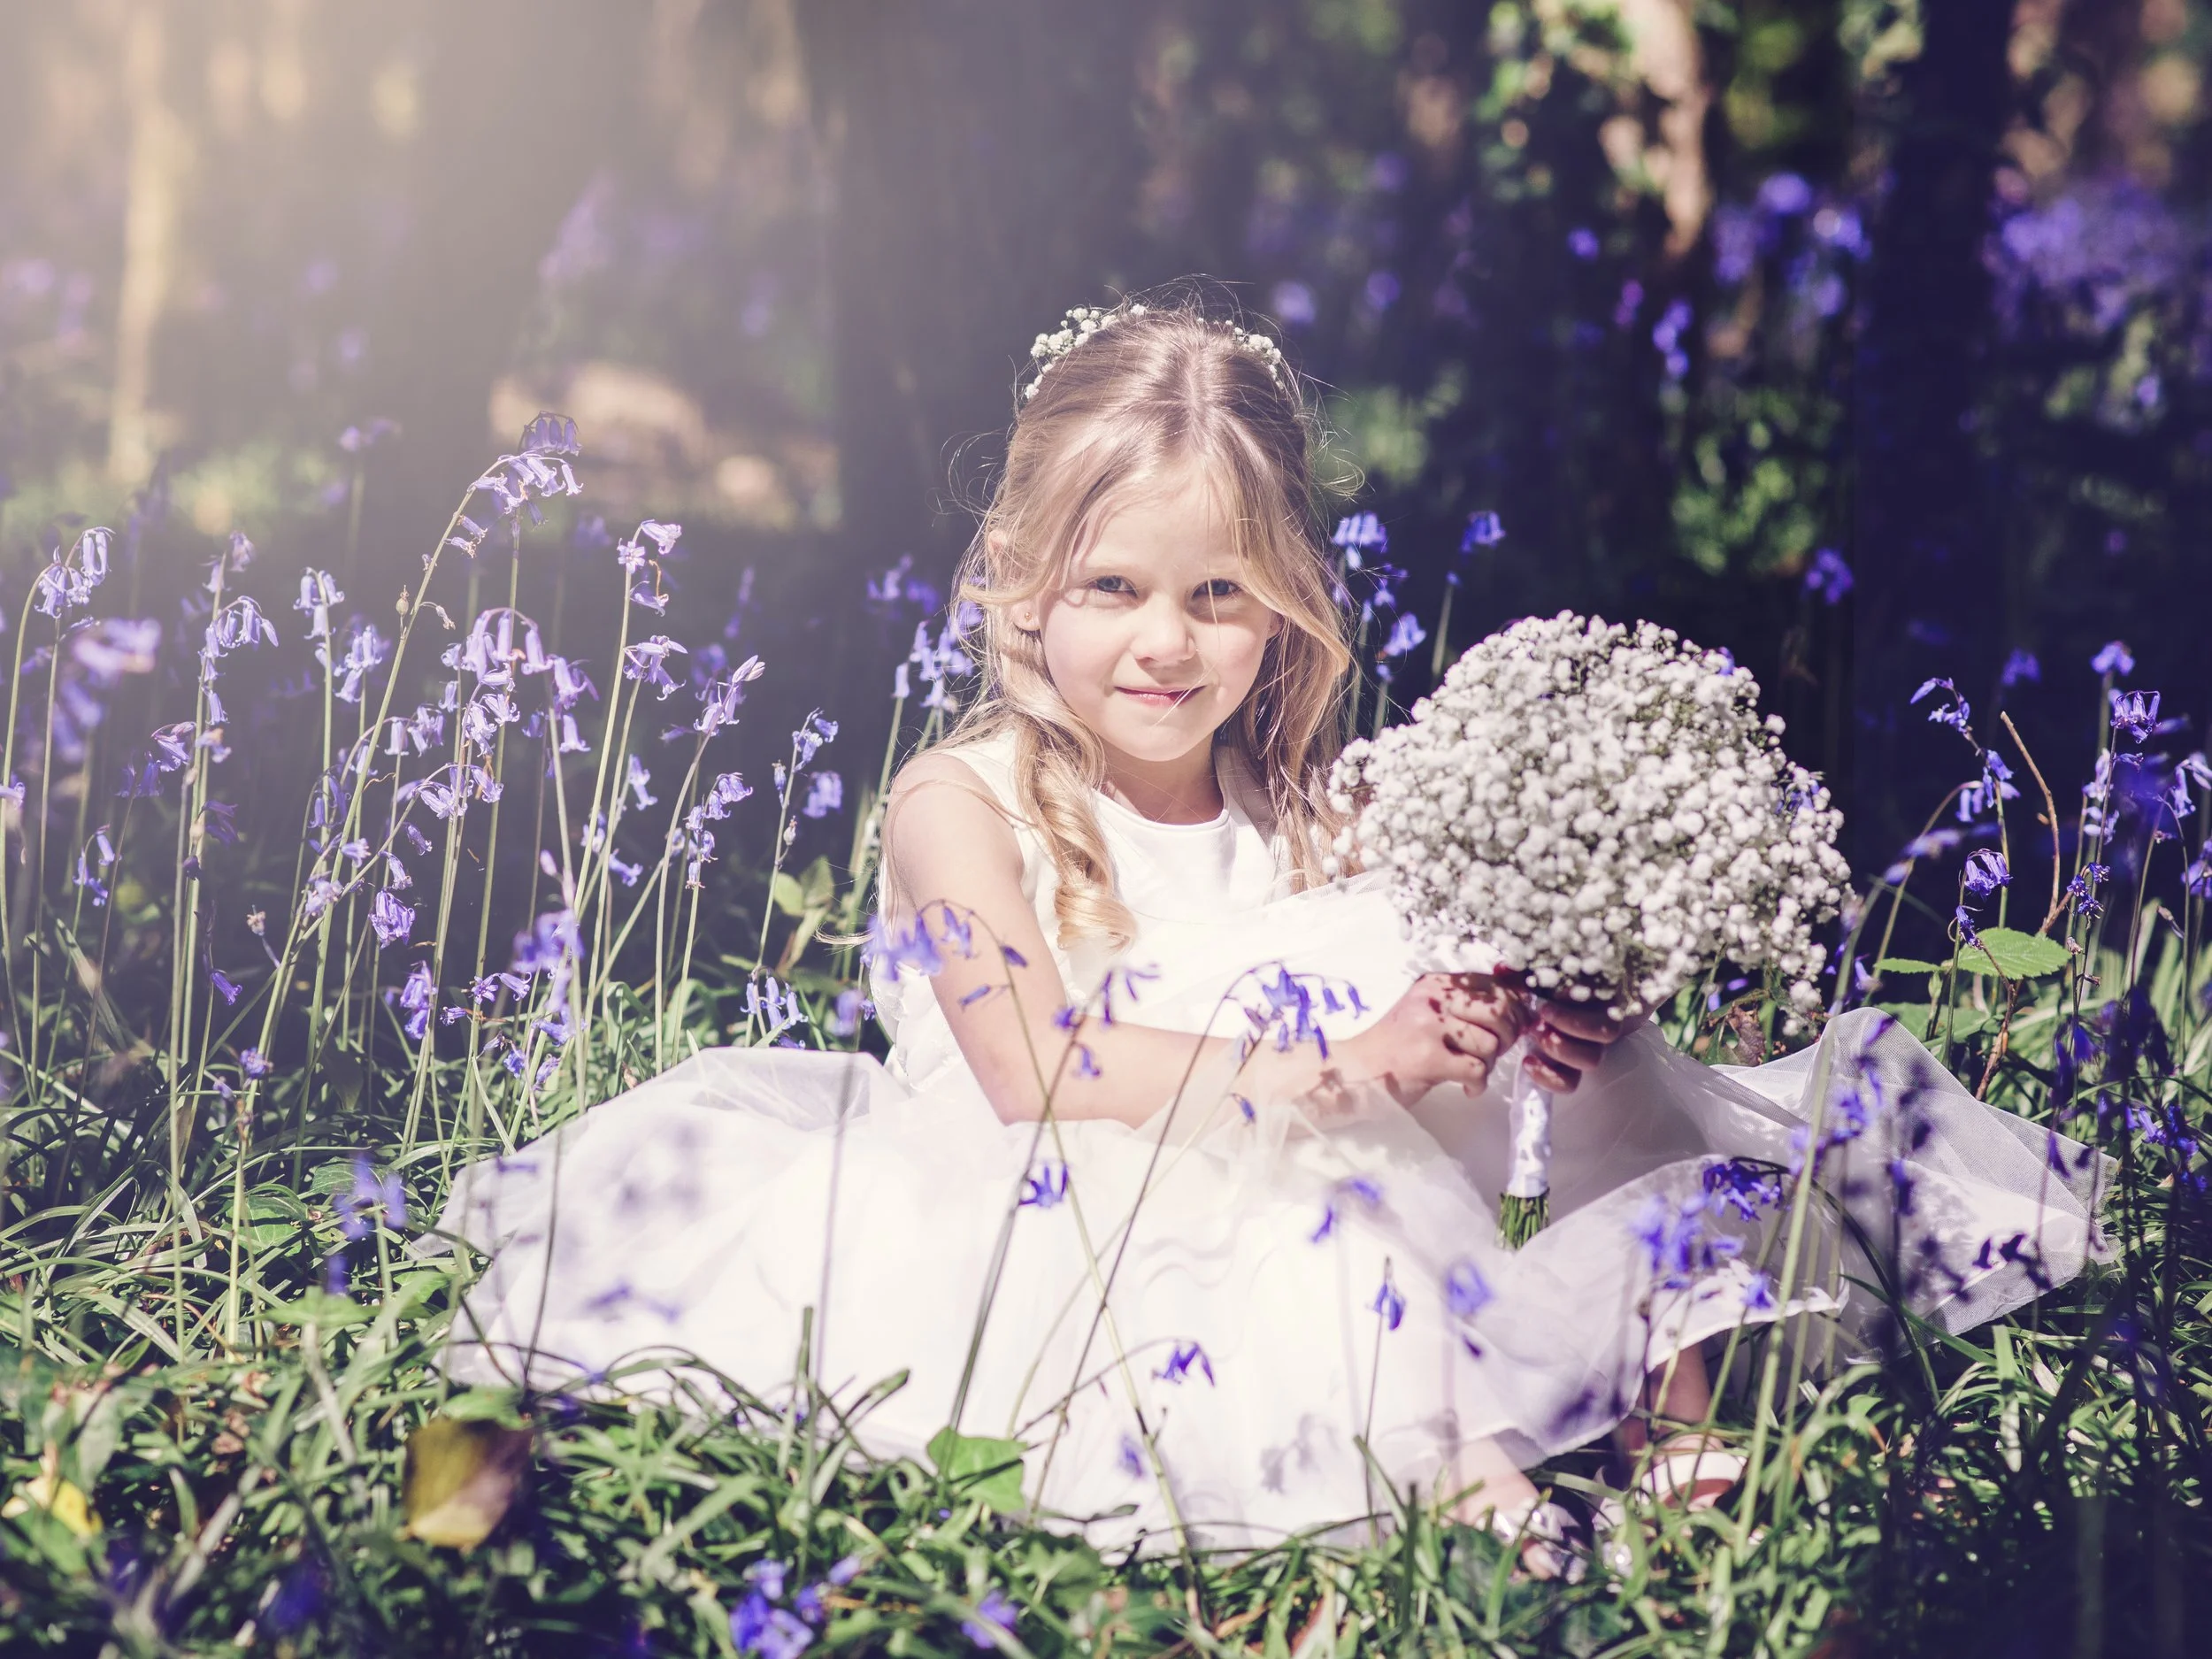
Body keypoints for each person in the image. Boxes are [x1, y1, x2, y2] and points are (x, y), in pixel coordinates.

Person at [437, 297, 2106, 1574]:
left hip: (1331, 1156)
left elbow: (1428, 1021)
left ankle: (1678, 1426)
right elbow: (1033, 1062)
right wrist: (1341, 1061)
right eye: (1112, 589)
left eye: (1219, 596)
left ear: (1285, 594)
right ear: (1020, 581)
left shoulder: (1314, 802)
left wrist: (1528, 1024)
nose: (1166, 644)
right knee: (1335, 1157)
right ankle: (1470, 1476)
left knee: (1561, 1071)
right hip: (1073, 1216)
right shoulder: (965, 803)